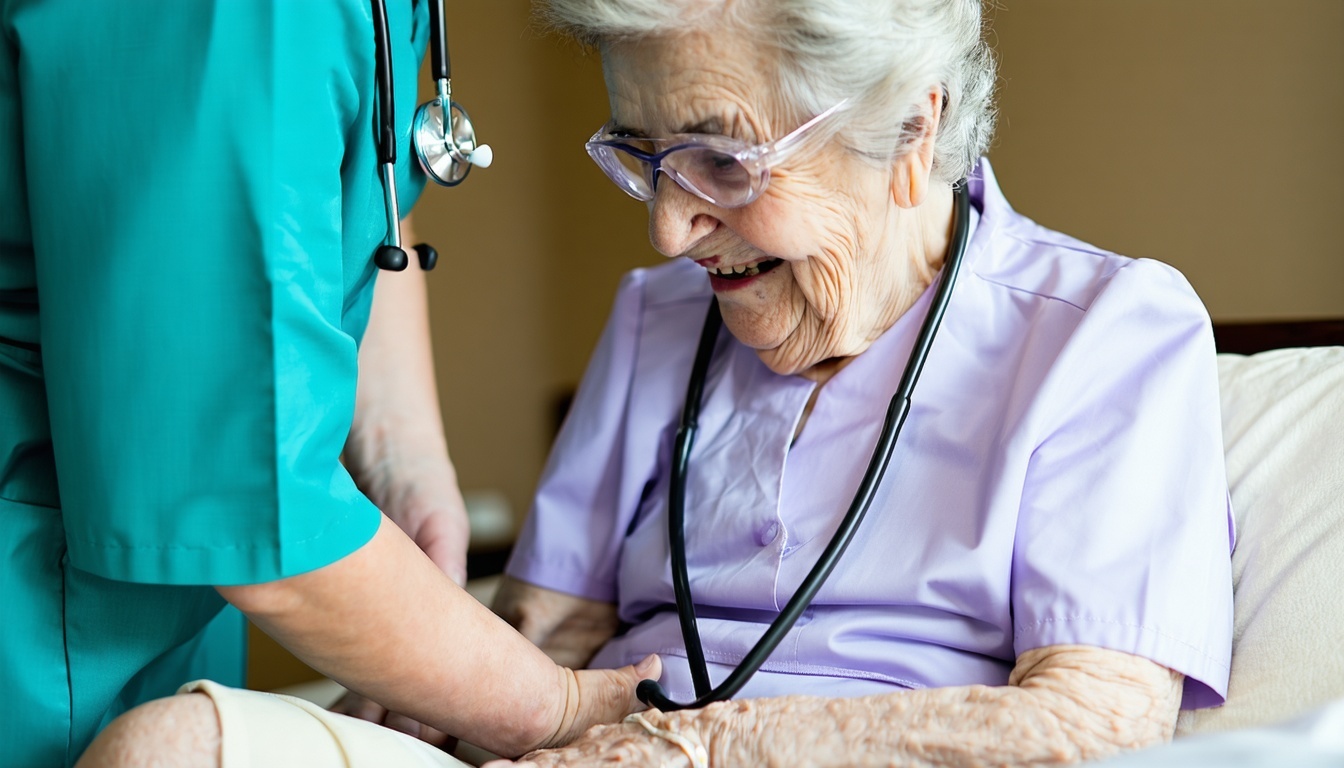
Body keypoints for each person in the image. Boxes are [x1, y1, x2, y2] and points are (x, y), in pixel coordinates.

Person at [485, 0, 1235, 765]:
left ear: (911, 129)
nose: (669, 232)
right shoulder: (656, 316)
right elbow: (548, 642)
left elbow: (1091, 726)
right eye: (647, 158)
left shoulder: (1106, 333)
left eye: (723, 162)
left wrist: (704, 749)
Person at [0, 2, 650, 766]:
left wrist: (402, 459)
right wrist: (555, 709)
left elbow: (351, 189)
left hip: (155, 597)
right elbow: (242, 481)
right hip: (40, 603)